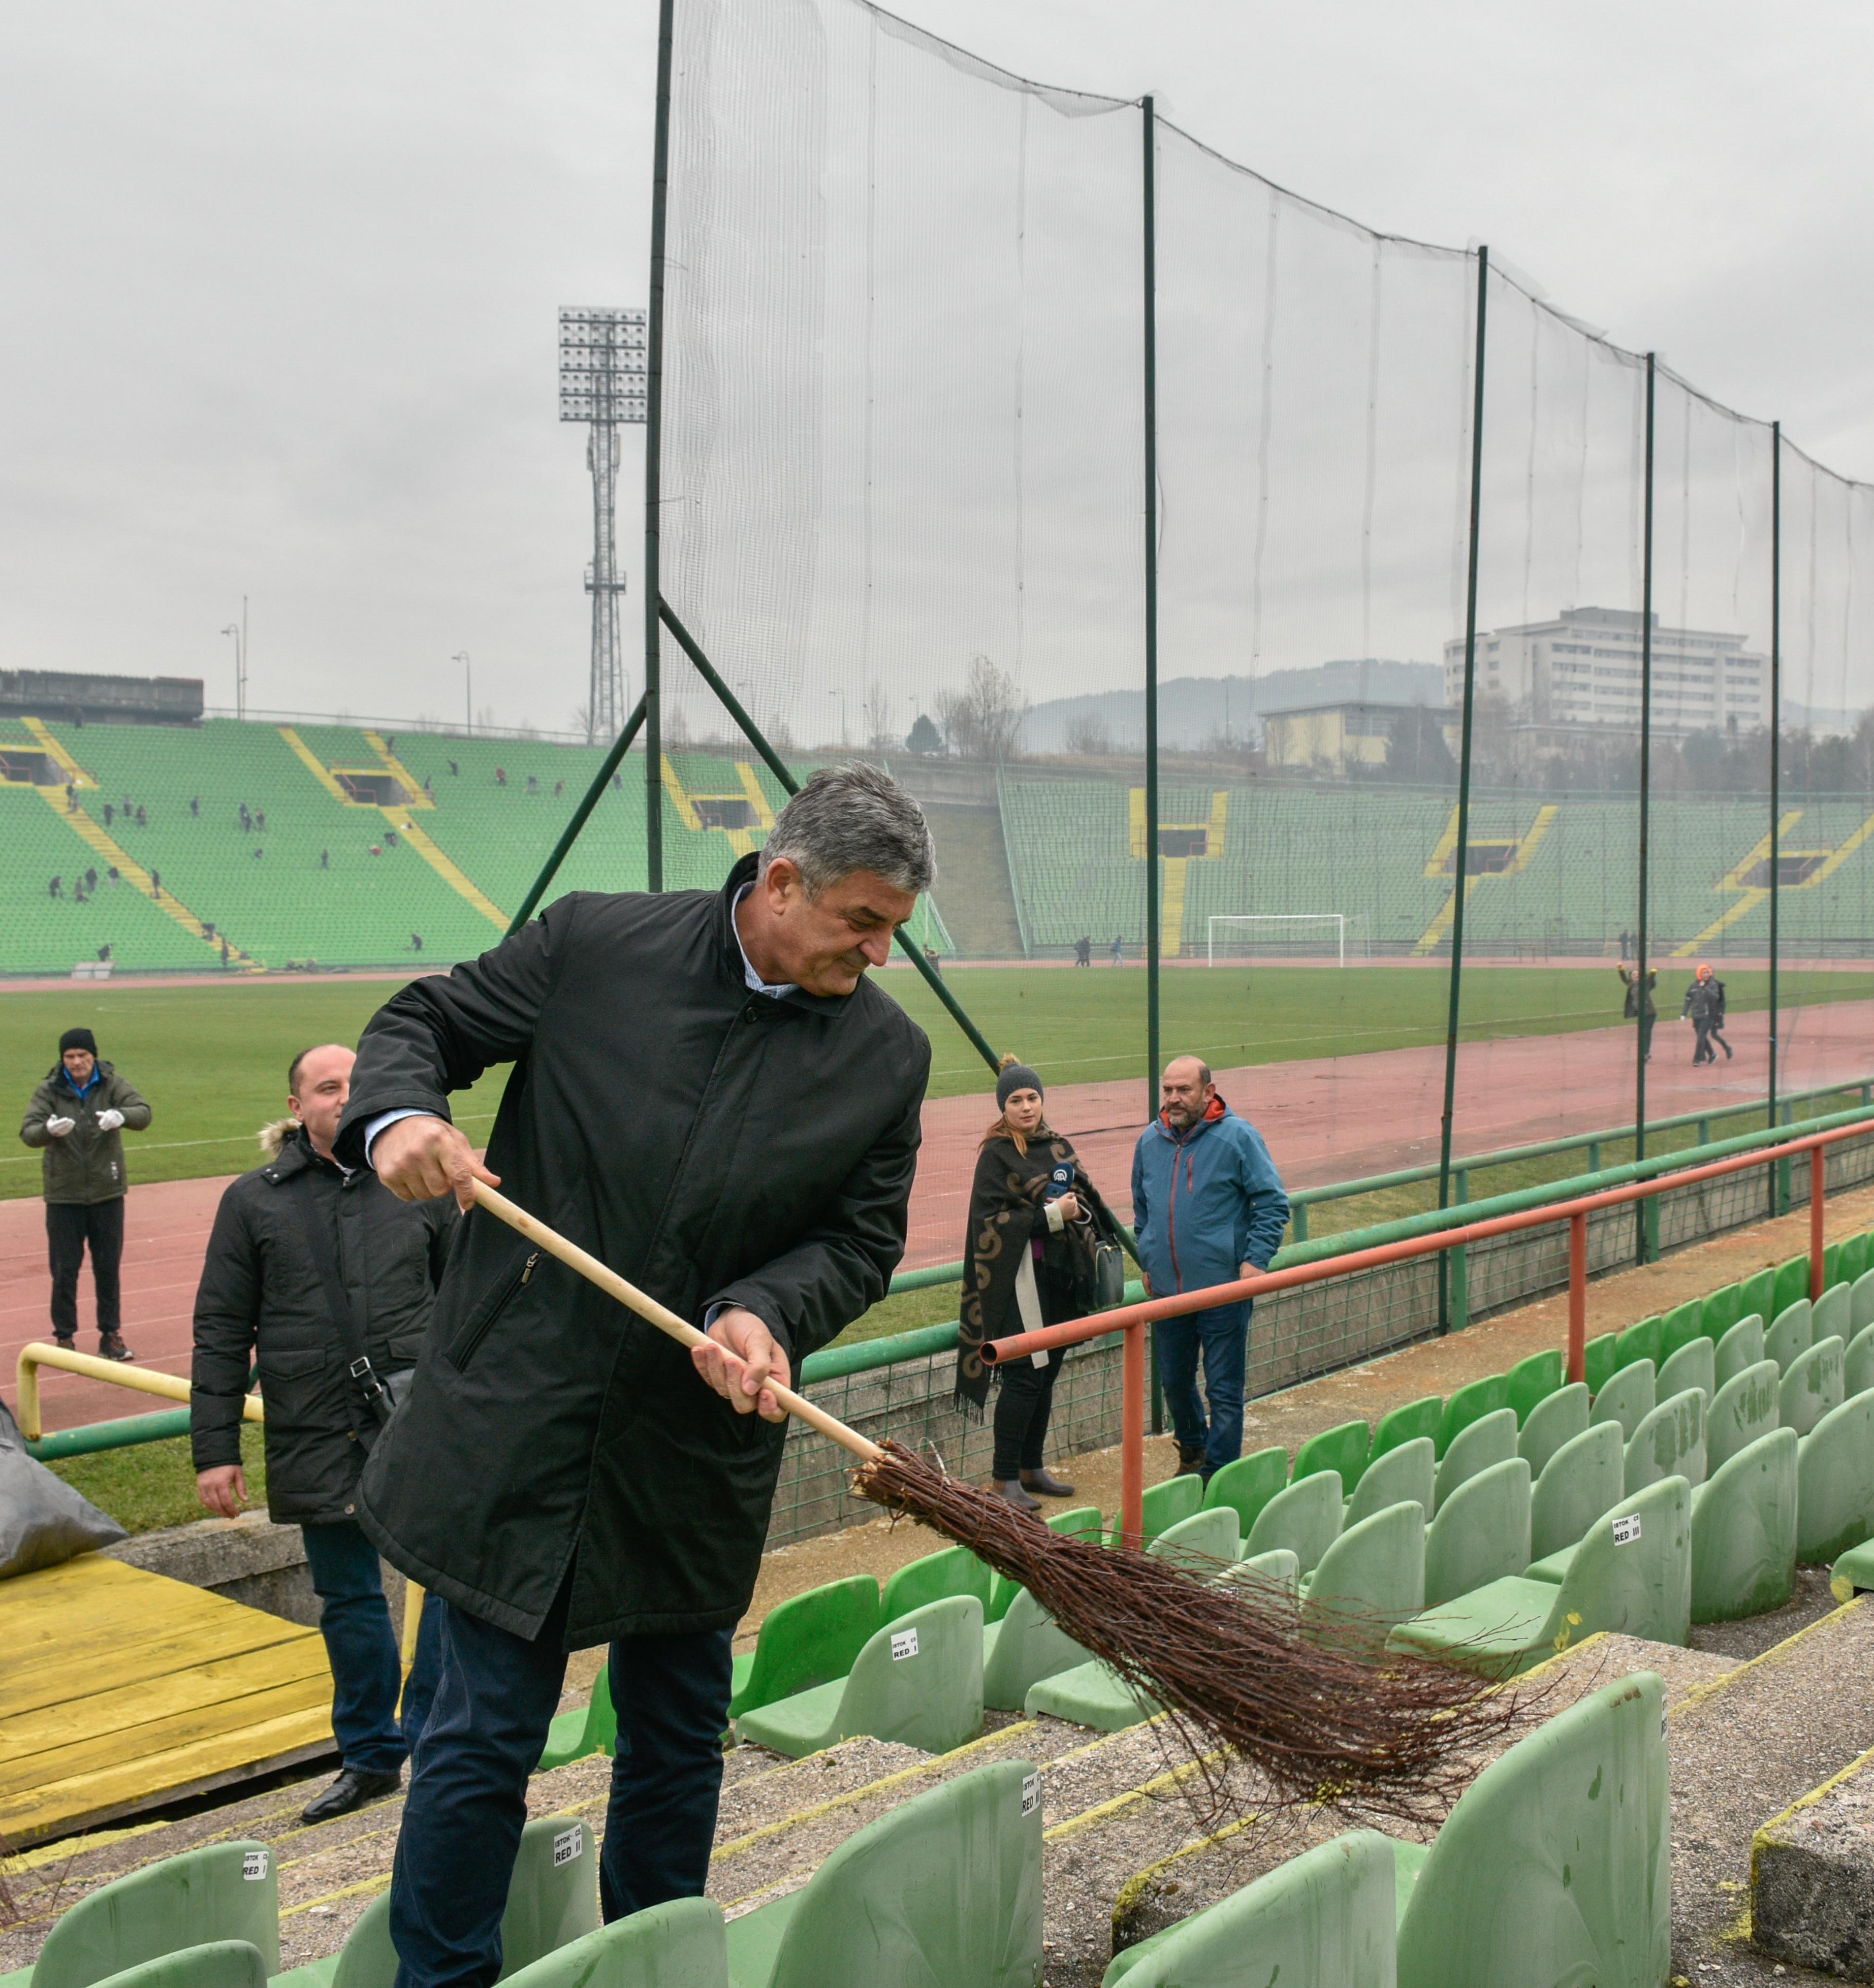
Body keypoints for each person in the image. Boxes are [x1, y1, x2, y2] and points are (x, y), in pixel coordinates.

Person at [341, 761, 931, 1981]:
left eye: (893, 929)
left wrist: (765, 1309)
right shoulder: (598, 942)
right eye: (861, 921)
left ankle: (649, 1965)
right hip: (518, 1412)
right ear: (782, 880)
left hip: (695, 1442)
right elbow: (424, 1023)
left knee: (675, 1743)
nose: (877, 951)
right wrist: (400, 1117)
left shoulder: (887, 1056)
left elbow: (861, 1240)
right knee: (478, 1740)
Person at [190, 1044, 453, 1823]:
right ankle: (371, 1756)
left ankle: (439, 1736)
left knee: (450, 1584)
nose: (344, 1096)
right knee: (347, 1600)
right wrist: (214, 1449)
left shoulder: (423, 1180)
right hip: (314, 1425)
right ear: (297, 1106)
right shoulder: (253, 1202)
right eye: (326, 1087)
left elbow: (471, 1300)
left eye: (355, 1083)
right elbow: (221, 1327)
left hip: (420, 1418)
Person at [954, 1059, 1110, 1511]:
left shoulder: (1058, 1146)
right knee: (1024, 1376)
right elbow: (991, 1224)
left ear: (1043, 1100)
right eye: (1016, 1100)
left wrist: (1076, 1212)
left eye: (1032, 1098)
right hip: (1016, 1282)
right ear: (1003, 1107)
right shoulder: (997, 1154)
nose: (1026, 1107)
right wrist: (1049, 1216)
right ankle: (1004, 1481)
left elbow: (1088, 1202)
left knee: (1049, 1371)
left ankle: (1030, 1467)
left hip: (1060, 1279)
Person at [1132, 1056, 1287, 1480]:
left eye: (1183, 1090)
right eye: (1168, 1090)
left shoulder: (1237, 1137)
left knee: (1223, 1388)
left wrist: (1256, 1260)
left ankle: (1220, 1474)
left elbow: (1272, 1201)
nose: (1174, 1099)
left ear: (1208, 1091)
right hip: (1168, 1292)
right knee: (1175, 1384)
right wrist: (1149, 1257)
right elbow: (1142, 1206)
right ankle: (1194, 1451)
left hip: (1222, 1289)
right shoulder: (1150, 1140)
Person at [20, 1029, 152, 1360]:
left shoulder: (112, 1084)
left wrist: (121, 1116)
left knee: (108, 1268)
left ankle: (111, 1335)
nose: (77, 1062)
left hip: (107, 1193)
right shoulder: (50, 1089)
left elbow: (143, 1112)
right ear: (62, 1059)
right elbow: (28, 1132)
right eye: (70, 1056)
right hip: (64, 1196)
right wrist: (48, 1132)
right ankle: (64, 1339)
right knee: (64, 1271)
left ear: (93, 1056)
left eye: (83, 1055)